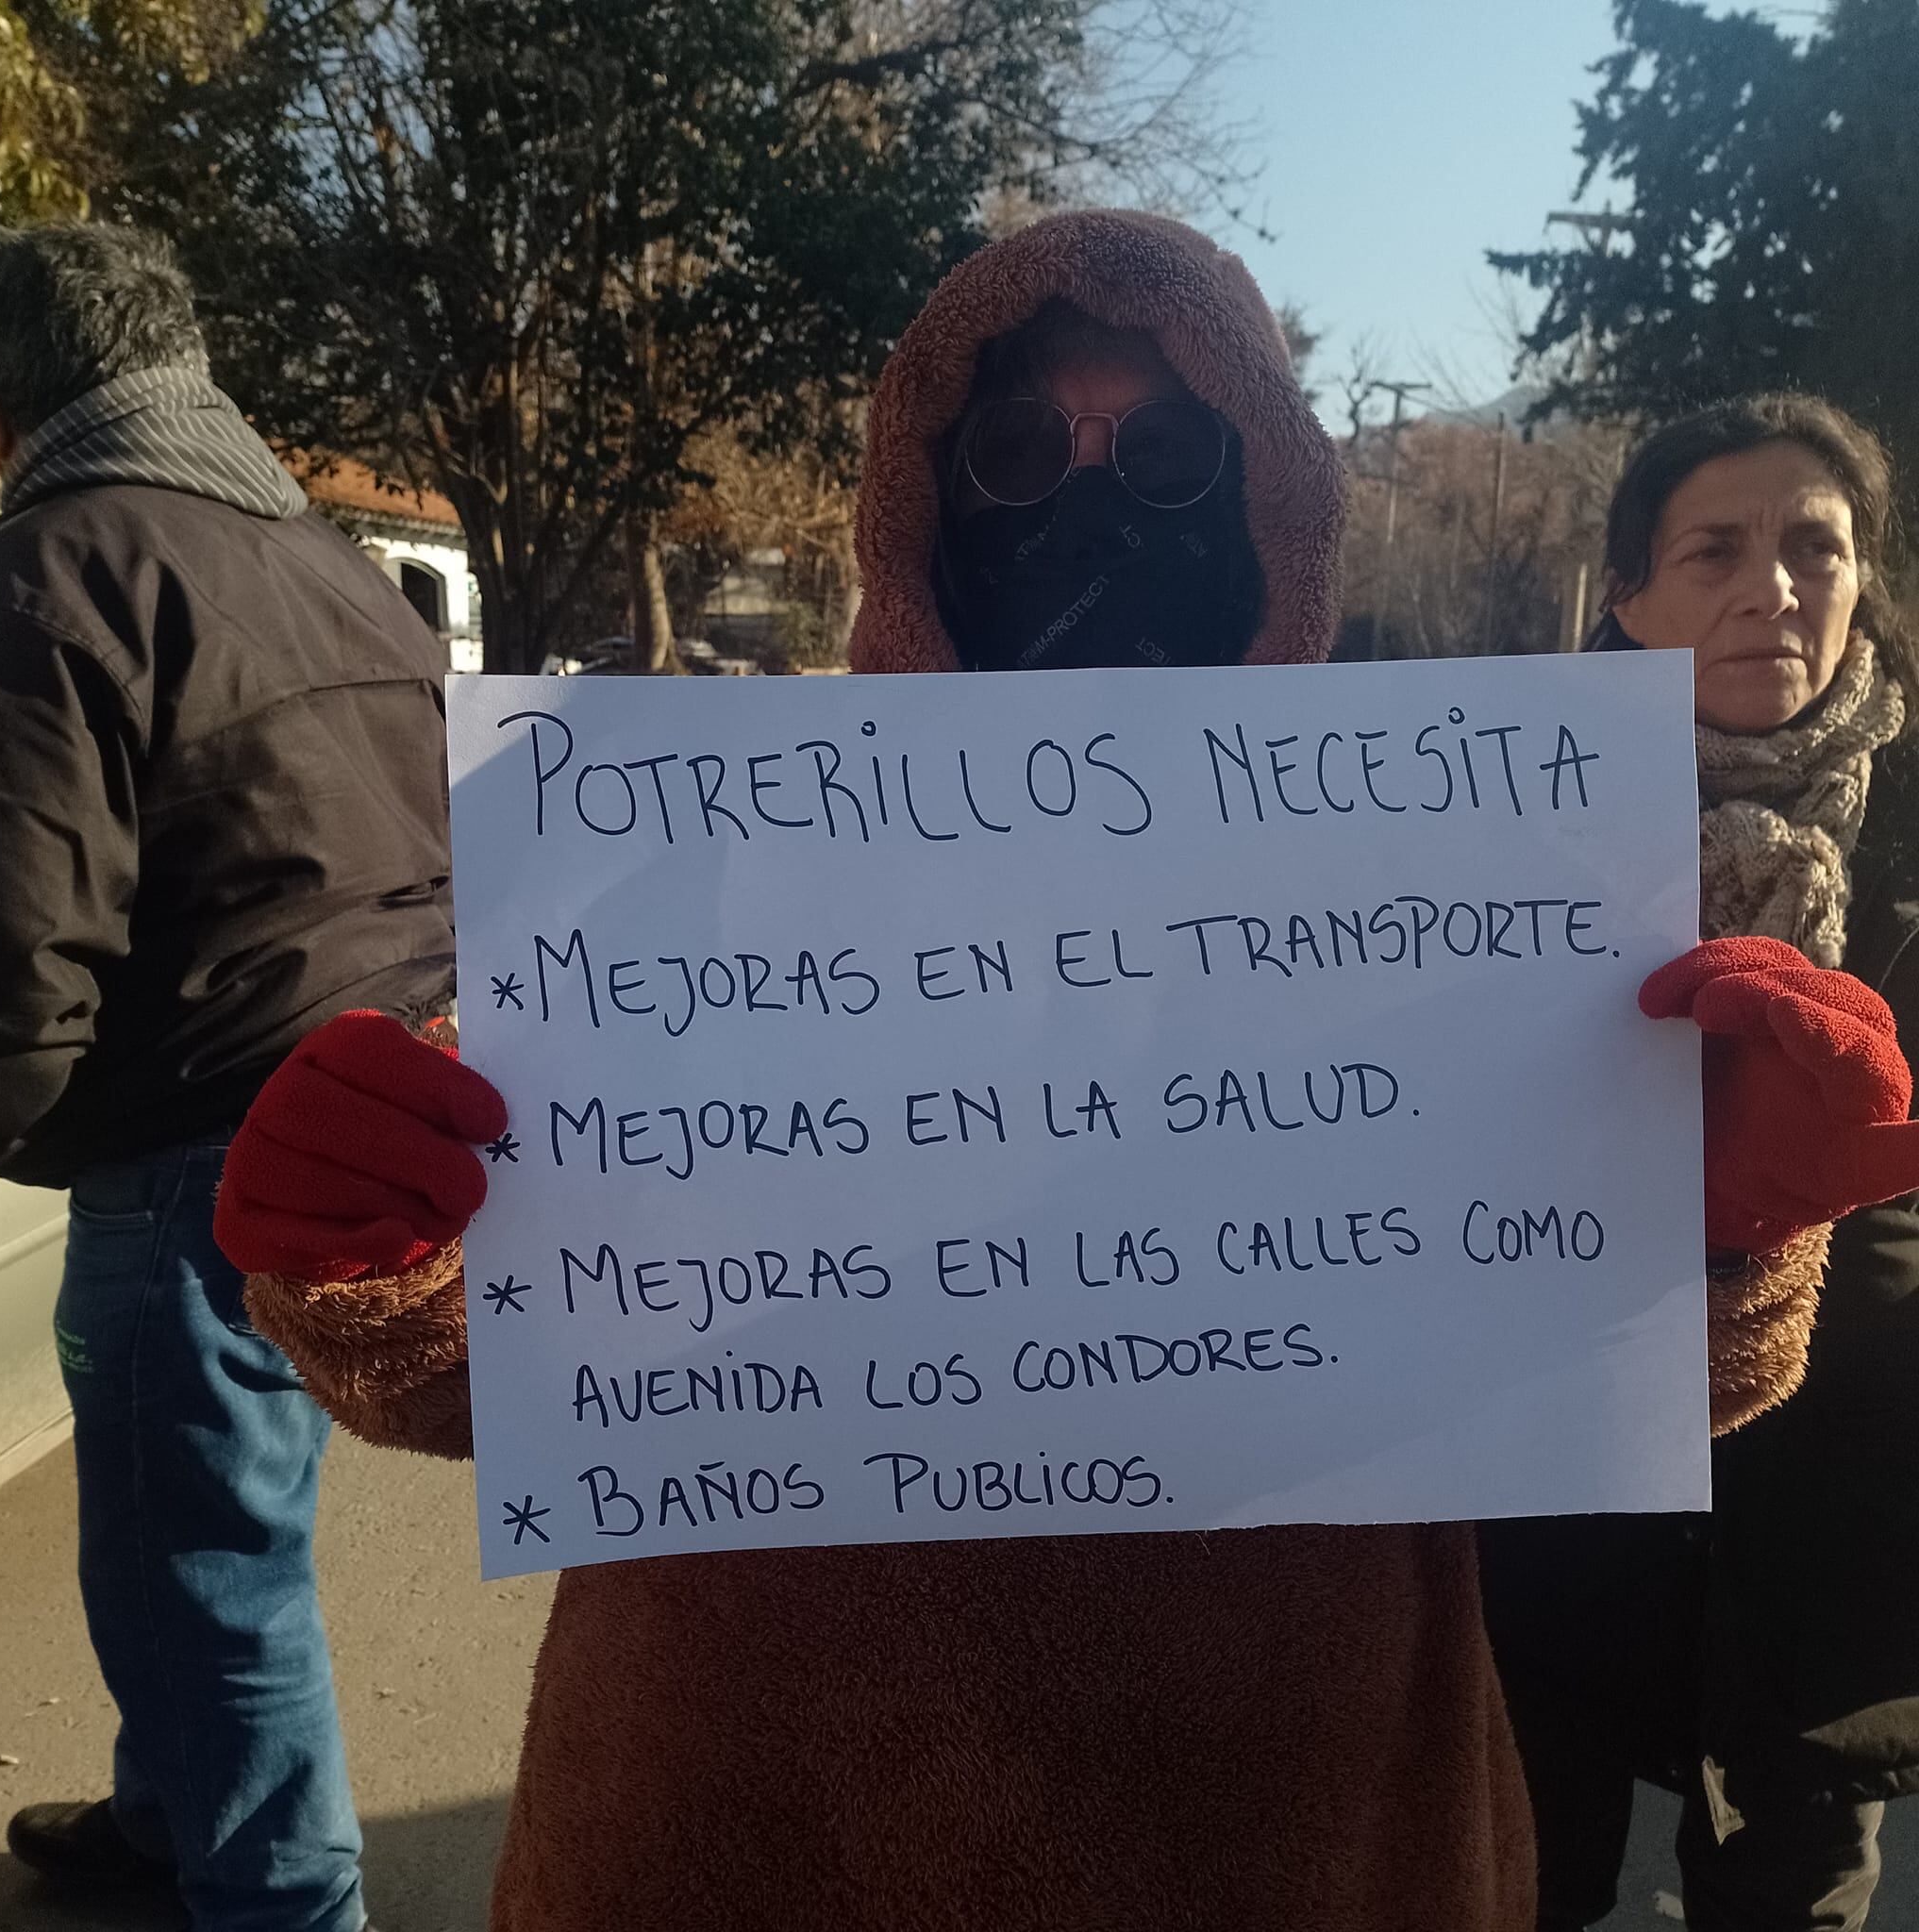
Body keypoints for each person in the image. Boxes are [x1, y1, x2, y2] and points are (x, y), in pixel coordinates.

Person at [210, 212, 1919, 1932]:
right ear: (919, 502)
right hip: (749, 1824)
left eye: (1171, 456)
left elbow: (1635, 1390)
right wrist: (372, 1259)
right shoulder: (698, 870)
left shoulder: (1438, 873)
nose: (1093, 508)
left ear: (1273, 505)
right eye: (1021, 454)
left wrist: (1715, 1217)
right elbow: (477, 1385)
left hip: (1294, 1831)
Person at [0, 221, 455, 1932]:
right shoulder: (324, 555)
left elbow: (21, 927)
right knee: (196, 1529)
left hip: (202, 1135)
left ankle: (283, 1899)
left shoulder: (53, 566)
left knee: (202, 1565)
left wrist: (19, 1124)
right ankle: (167, 1818)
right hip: (381, 1113)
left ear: (6, 398)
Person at [1480, 394, 1919, 1932]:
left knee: (1796, 1895)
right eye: (1717, 548)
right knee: (1528, 1883)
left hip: (1839, 1526)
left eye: (1818, 546)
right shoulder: (1494, 833)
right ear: (1631, 594)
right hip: (1556, 1522)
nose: (1775, 587)